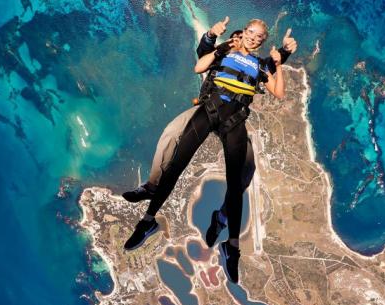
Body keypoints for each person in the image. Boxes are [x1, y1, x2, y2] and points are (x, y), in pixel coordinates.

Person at [122, 18, 295, 284]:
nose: (247, 39)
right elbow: (200, 60)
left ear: (261, 40)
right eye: (245, 34)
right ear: (238, 36)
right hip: (208, 109)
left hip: (234, 120)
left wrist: (284, 54)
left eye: (255, 36)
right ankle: (150, 202)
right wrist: (215, 37)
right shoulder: (222, 52)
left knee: (241, 177)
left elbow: (274, 75)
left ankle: (229, 238)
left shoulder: (259, 64)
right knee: (173, 146)